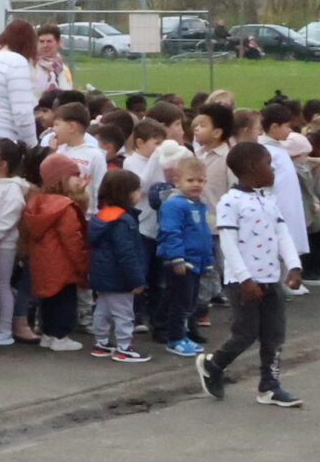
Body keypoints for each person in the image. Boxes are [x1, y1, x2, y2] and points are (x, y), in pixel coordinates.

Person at [198, 141, 303, 407]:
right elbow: (229, 244)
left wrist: (293, 264)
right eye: (269, 163)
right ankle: (214, 364)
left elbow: (281, 233)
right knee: (245, 334)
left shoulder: (268, 198)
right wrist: (244, 278)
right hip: (244, 282)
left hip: (270, 278)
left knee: (274, 334)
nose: (272, 169)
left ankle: (269, 385)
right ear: (252, 167)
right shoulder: (231, 202)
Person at [21, 153, 90, 353]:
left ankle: (48, 334)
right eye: (74, 175)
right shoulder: (65, 207)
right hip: (63, 264)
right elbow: (73, 239)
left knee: (49, 301)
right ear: (61, 179)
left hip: (42, 262)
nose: (79, 179)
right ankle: (61, 336)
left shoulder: (37, 203)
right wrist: (82, 264)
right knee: (65, 302)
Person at [85, 168, 151, 363]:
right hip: (120, 277)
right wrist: (137, 279)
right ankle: (124, 346)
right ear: (127, 193)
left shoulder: (102, 216)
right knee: (124, 312)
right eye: (137, 190)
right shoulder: (123, 220)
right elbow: (127, 254)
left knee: (102, 309)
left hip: (101, 274)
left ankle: (101, 342)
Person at [153, 155, 212, 356]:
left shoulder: (198, 204)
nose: (196, 184)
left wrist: (208, 260)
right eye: (190, 180)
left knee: (187, 300)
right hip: (181, 261)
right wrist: (177, 258)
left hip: (196, 261)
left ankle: (179, 333)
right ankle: (175, 338)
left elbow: (203, 235)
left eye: (200, 180)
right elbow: (172, 233)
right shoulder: (174, 205)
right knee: (180, 301)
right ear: (177, 181)